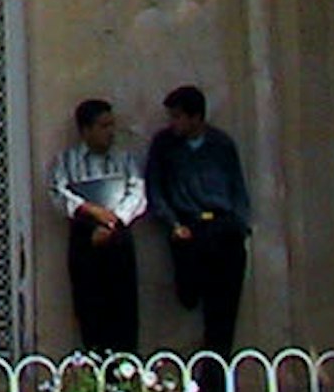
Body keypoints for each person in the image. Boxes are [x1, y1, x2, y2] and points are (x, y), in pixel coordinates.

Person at [145, 85, 252, 354]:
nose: (173, 123)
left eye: (178, 117)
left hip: (222, 225)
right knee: (189, 294)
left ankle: (215, 379)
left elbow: (237, 186)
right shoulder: (165, 145)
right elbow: (155, 187)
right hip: (188, 227)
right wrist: (173, 223)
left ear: (196, 118)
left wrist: (240, 224)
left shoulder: (220, 144)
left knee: (223, 307)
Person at [46, 97, 146, 352]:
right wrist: (90, 210)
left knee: (123, 308)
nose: (110, 132)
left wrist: (113, 222)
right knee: (90, 307)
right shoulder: (66, 161)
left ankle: (124, 375)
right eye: (103, 126)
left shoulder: (124, 160)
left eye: (111, 125)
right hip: (84, 236)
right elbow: (57, 191)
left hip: (118, 235)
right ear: (86, 130)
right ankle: (95, 372)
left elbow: (137, 193)